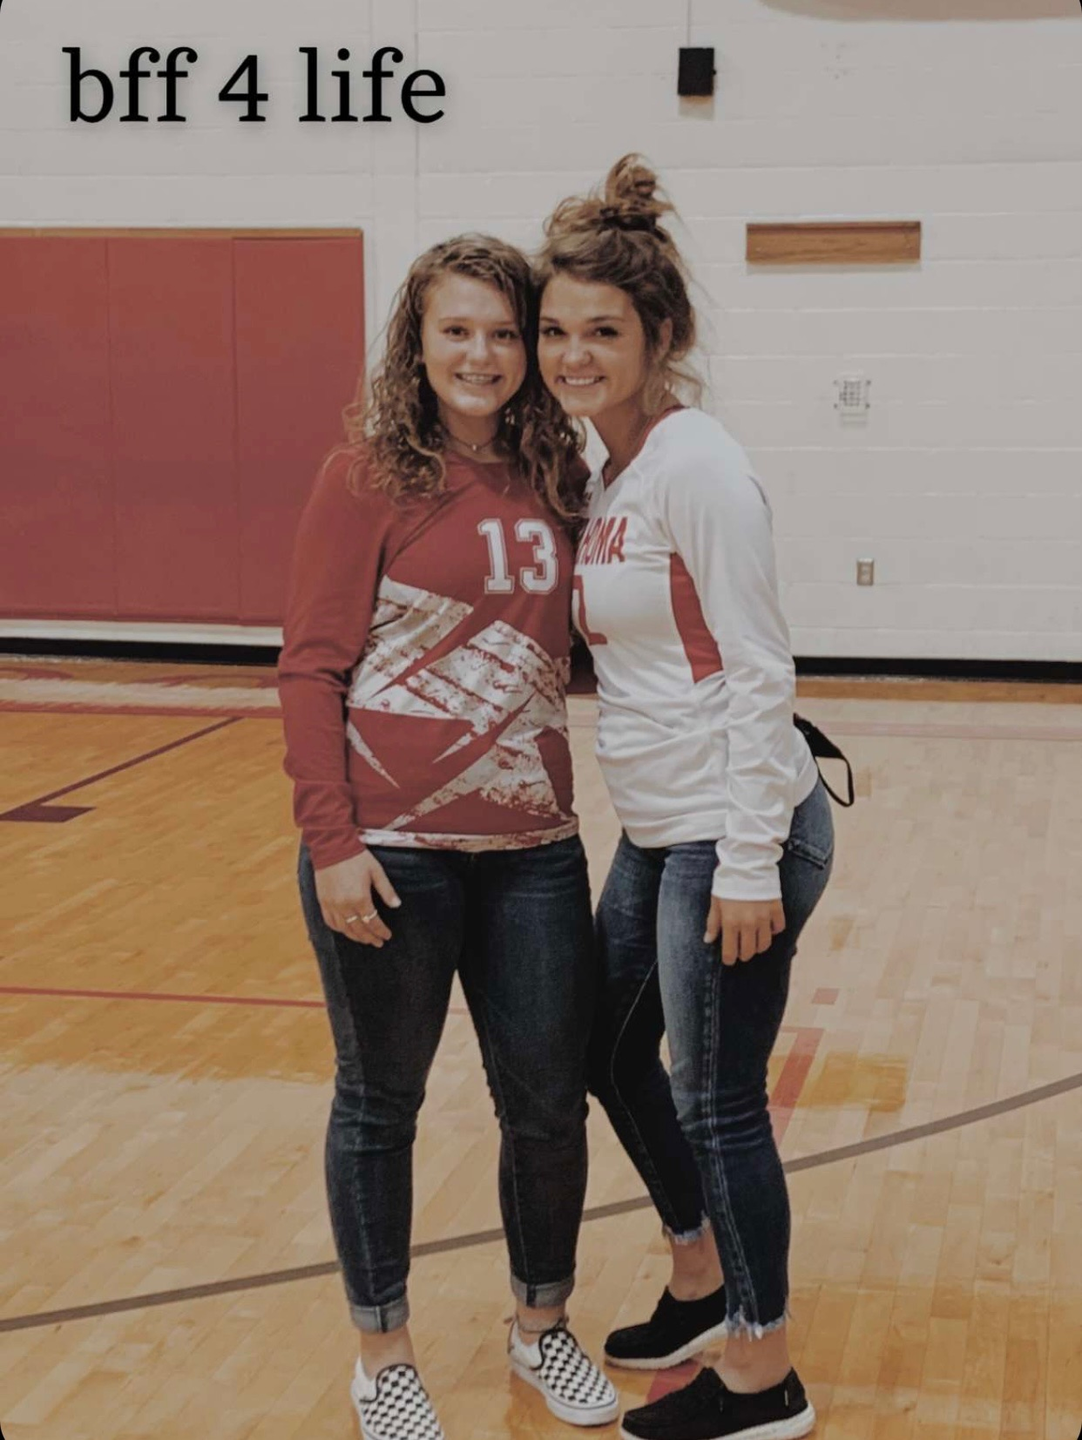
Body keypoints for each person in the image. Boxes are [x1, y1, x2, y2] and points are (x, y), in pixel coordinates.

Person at [278, 235, 619, 1439]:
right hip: (392, 854)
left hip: (533, 854)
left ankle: (541, 1327)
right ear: (414, 343)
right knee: (381, 1105)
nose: (482, 354)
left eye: (503, 331)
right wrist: (331, 843)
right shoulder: (364, 474)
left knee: (545, 1107)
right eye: (456, 329)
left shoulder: (557, 473)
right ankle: (384, 1353)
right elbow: (310, 670)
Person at [535, 159, 835, 1440]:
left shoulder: (697, 464)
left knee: (715, 1095)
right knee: (607, 1050)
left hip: (734, 826)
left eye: (602, 330)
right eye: (555, 331)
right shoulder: (612, 473)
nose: (571, 354)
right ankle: (702, 1278)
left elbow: (760, 667)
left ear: (662, 335)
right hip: (661, 829)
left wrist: (753, 862)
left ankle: (764, 1379)